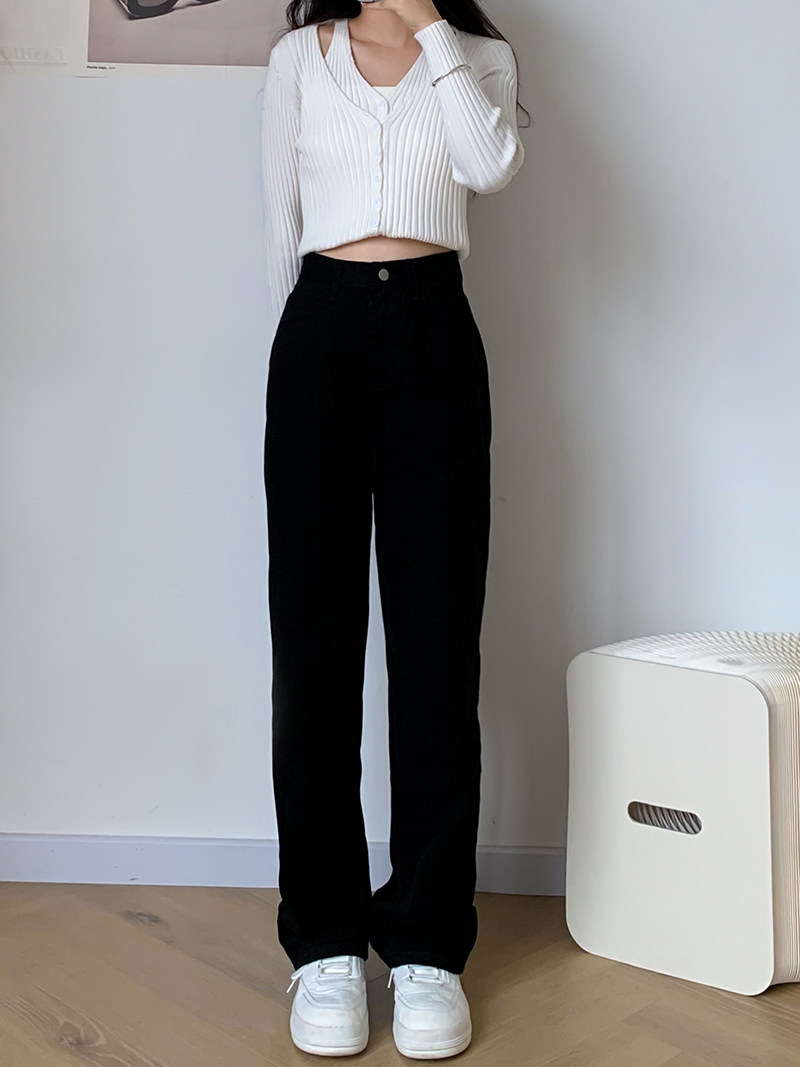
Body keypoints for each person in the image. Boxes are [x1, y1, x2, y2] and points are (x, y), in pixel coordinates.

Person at [260, 0, 526, 1056]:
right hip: (317, 337)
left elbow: (490, 165)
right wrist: (297, 367)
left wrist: (430, 29)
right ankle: (324, 940)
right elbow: (279, 222)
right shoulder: (297, 58)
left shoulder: (480, 58)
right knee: (313, 651)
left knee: (434, 650)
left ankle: (425, 945)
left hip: (433, 336)